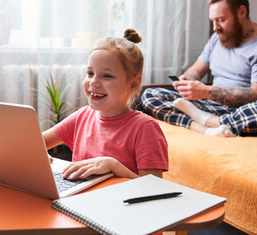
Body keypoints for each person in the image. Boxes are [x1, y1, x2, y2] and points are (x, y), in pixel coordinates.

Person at [43, 29, 168, 180]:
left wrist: (114, 167)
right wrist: (39, 152)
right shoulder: (82, 116)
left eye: (107, 76)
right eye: (90, 73)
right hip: (80, 199)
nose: (94, 81)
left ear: (134, 84)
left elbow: (155, 189)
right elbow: (38, 141)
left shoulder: (145, 128)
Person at [141, 0, 257, 137]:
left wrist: (206, 92)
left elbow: (254, 94)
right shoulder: (218, 38)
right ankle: (206, 128)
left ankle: (213, 121)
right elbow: (196, 69)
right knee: (150, 95)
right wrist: (188, 79)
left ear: (242, 12)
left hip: (241, 110)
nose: (215, 28)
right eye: (213, 21)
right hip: (209, 105)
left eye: (221, 20)